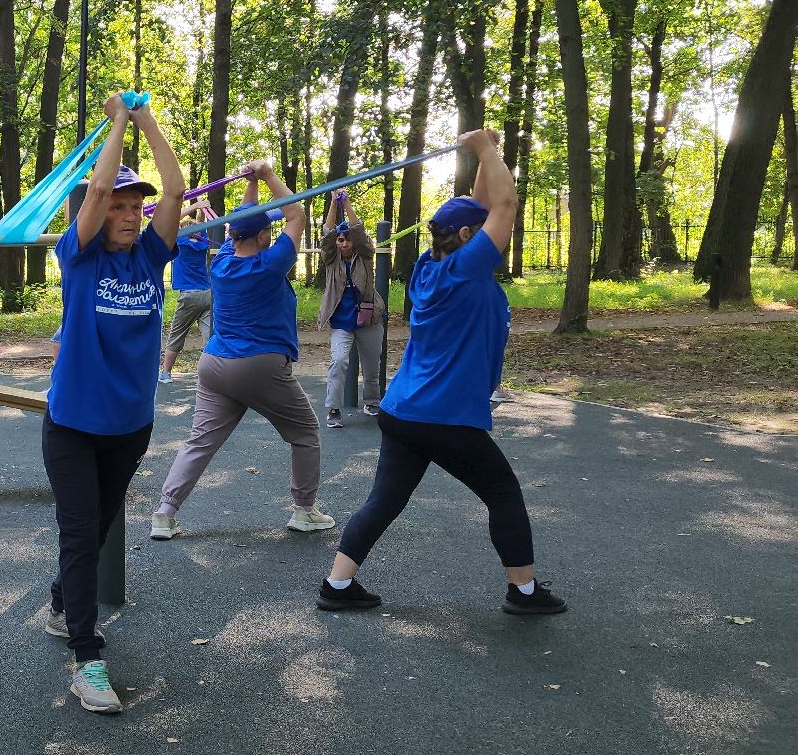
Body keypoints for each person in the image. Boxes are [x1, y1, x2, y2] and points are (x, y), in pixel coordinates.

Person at [317, 129, 565, 615]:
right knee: (502, 493)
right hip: (443, 416)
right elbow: (505, 206)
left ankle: (338, 585)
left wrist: (480, 152)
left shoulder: (430, 267)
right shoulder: (467, 270)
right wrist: (489, 150)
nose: (500, 230)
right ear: (471, 239)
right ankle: (524, 591)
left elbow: (478, 206)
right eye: (485, 228)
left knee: (386, 500)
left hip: (404, 410)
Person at [42, 93, 185, 714]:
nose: (129, 216)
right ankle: (86, 656)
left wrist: (148, 119)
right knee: (80, 536)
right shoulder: (79, 257)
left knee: (98, 527)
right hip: (72, 423)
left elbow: (176, 189)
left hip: (130, 425)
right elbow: (94, 192)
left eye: (136, 208)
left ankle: (58, 603)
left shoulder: (151, 258)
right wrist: (117, 123)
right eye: (121, 207)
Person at [150, 160, 333, 541]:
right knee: (305, 434)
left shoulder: (223, 263)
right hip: (259, 366)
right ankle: (304, 510)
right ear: (265, 236)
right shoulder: (271, 263)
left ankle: (165, 514)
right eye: (267, 230)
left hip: (215, 365)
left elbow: (243, 223)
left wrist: (250, 184)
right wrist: (266, 175)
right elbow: (295, 213)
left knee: (200, 440)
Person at [317, 190, 386, 427]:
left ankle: (372, 402)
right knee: (338, 361)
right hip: (341, 320)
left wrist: (346, 202)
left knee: (371, 365)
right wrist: (333, 206)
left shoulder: (365, 255)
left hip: (368, 317)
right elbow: (327, 234)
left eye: (347, 239)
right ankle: (334, 409)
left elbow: (358, 230)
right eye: (340, 239)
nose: (344, 243)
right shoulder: (330, 258)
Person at [159, 199, 216, 384]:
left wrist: (194, 207)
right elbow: (201, 227)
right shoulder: (202, 244)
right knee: (211, 337)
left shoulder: (180, 243)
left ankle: (166, 373)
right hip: (208, 294)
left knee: (177, 334)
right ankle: (214, 374)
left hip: (189, 296)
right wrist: (201, 209)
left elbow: (171, 220)